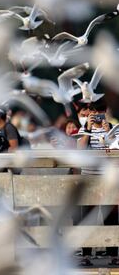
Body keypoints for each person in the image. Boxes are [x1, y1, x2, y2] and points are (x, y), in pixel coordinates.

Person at [76, 99, 119, 266]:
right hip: (89, 179)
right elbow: (80, 150)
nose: (97, 115)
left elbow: (115, 153)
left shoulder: (115, 130)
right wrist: (87, 129)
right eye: (93, 112)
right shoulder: (85, 129)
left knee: (111, 217)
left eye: (100, 112)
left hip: (108, 179)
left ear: (107, 113)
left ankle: (114, 253)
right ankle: (86, 254)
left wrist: (109, 134)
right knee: (87, 217)